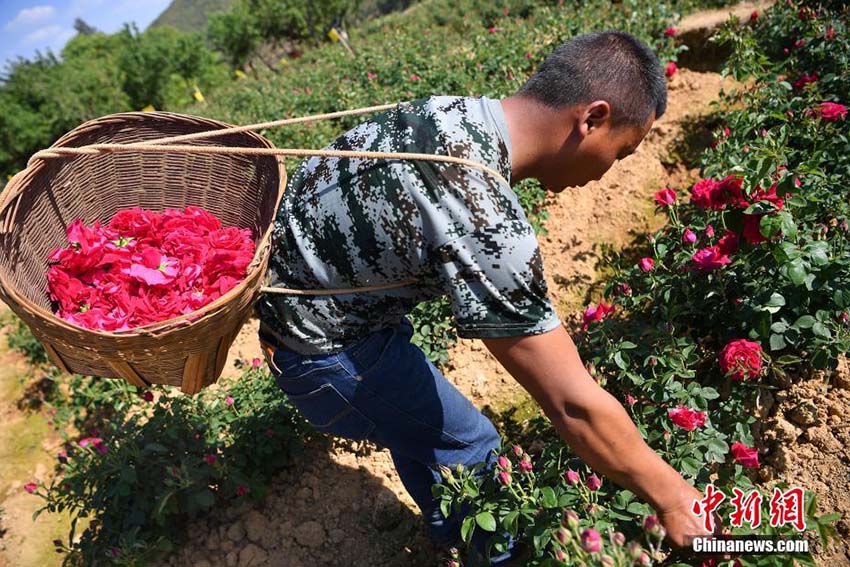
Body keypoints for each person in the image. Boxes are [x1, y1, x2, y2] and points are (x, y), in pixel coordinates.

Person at [255, 30, 710, 565]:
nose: (609, 170)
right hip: (323, 358)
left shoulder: (449, 112)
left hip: (309, 318)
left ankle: (451, 531)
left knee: (424, 424)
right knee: (471, 447)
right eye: (621, 151)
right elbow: (571, 404)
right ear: (593, 118)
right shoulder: (483, 215)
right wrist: (674, 498)